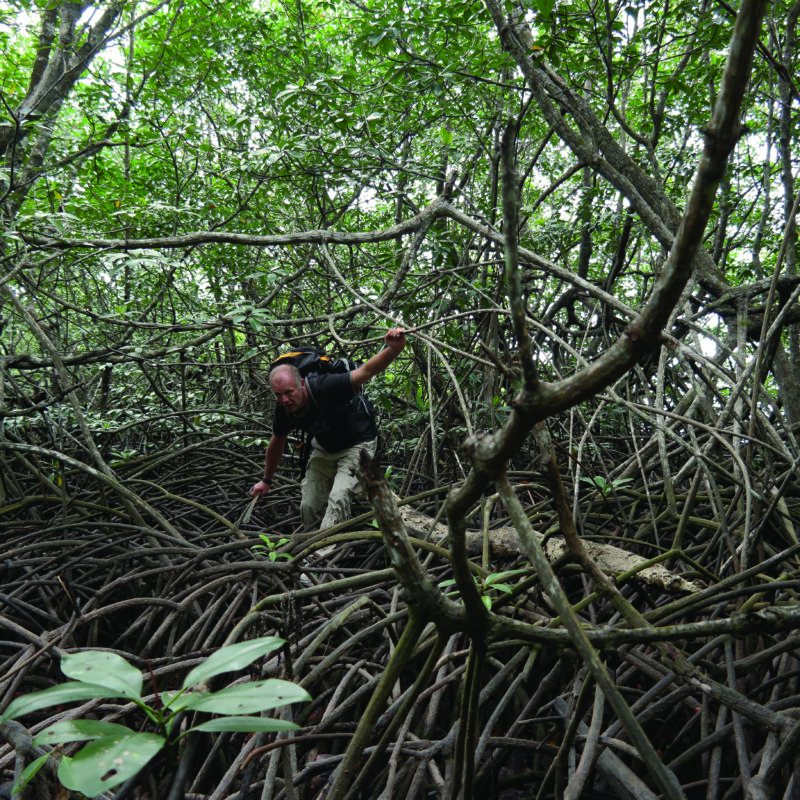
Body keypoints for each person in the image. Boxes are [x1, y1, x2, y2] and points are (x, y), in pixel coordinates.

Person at [250, 328, 407, 530]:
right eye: (278, 395)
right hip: (325, 447)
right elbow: (277, 441)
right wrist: (266, 481)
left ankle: (325, 553)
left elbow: (366, 371)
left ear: (302, 384)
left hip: (357, 443)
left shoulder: (326, 386)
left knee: (339, 496)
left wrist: (394, 349)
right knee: (308, 505)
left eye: (289, 392)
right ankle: (315, 543)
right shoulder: (284, 409)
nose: (285, 400)